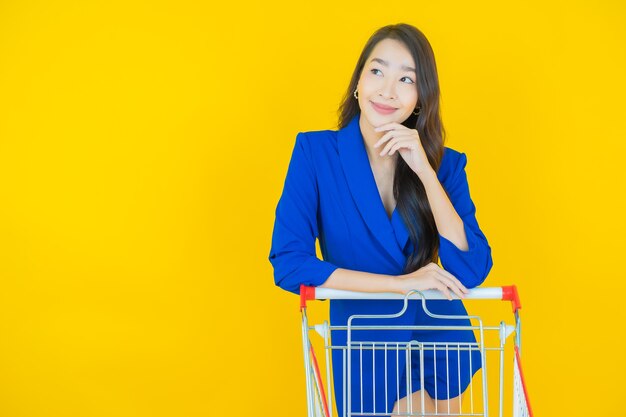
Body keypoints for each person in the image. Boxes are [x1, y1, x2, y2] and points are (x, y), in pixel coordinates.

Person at [269, 23, 493, 416]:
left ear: (420, 99)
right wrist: (399, 285)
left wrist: (425, 170)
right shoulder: (316, 153)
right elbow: (289, 264)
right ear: (358, 83)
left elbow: (472, 267)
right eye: (377, 71)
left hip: (439, 338)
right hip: (365, 338)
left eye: (406, 79)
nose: (388, 90)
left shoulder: (445, 165)